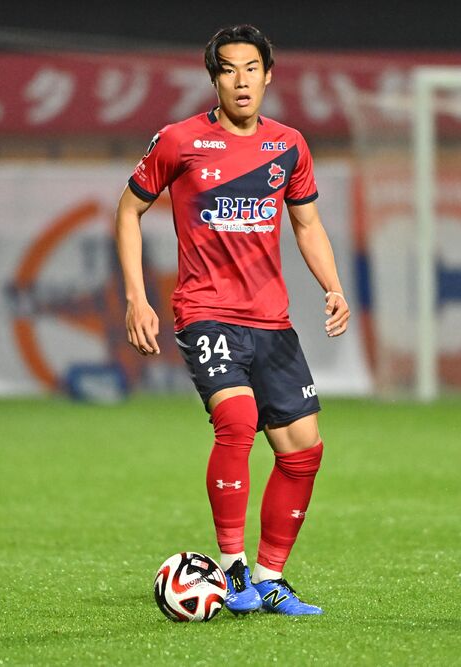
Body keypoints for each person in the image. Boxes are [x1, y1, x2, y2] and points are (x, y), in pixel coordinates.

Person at [114, 24, 350, 616]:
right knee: (238, 420)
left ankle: (270, 579)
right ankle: (233, 568)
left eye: (251, 69)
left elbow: (307, 224)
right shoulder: (179, 140)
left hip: (271, 320)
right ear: (213, 79)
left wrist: (333, 287)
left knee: (303, 448)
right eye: (228, 69)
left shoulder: (289, 145)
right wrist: (137, 297)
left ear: (268, 75)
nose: (240, 81)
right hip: (206, 312)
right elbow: (128, 211)